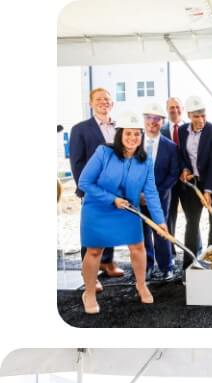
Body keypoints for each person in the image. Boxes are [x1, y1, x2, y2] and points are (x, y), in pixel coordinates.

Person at [77, 112, 168, 314]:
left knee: (138, 247)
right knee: (94, 251)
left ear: (141, 136)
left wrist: (160, 222)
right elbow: (84, 182)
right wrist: (112, 199)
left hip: (128, 209)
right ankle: (89, 292)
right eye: (128, 133)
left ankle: (141, 284)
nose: (133, 138)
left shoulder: (145, 160)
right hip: (98, 208)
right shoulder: (103, 153)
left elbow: (151, 192)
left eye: (137, 134)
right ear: (120, 135)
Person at [69, 87, 123, 288]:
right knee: (92, 230)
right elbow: (77, 162)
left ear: (112, 104)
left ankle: (107, 263)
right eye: (99, 99)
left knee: (110, 226)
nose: (103, 102)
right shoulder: (80, 129)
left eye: (107, 99)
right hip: (94, 189)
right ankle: (89, 276)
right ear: (91, 103)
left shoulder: (119, 128)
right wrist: (85, 188)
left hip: (116, 189)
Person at [177, 96, 212, 269]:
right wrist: (185, 169)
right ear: (189, 115)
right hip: (193, 184)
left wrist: (208, 191)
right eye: (196, 116)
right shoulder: (182, 130)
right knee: (192, 223)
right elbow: (183, 155)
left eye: (203, 115)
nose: (201, 120)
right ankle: (189, 264)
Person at [141, 101, 180, 281]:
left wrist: (156, 193)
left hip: (161, 196)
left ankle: (166, 266)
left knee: (161, 231)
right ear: (144, 120)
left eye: (157, 118)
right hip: (137, 197)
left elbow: (174, 173)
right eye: (148, 117)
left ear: (162, 122)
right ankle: (146, 266)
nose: (152, 122)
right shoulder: (134, 141)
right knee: (141, 232)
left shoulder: (170, 146)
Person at [160, 97, 187, 240]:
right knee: (168, 216)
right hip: (168, 182)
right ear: (167, 110)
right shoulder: (160, 130)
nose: (175, 110)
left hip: (188, 181)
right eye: (171, 107)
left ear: (182, 108)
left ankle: (195, 250)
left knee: (192, 219)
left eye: (177, 106)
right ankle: (170, 250)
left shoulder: (191, 129)